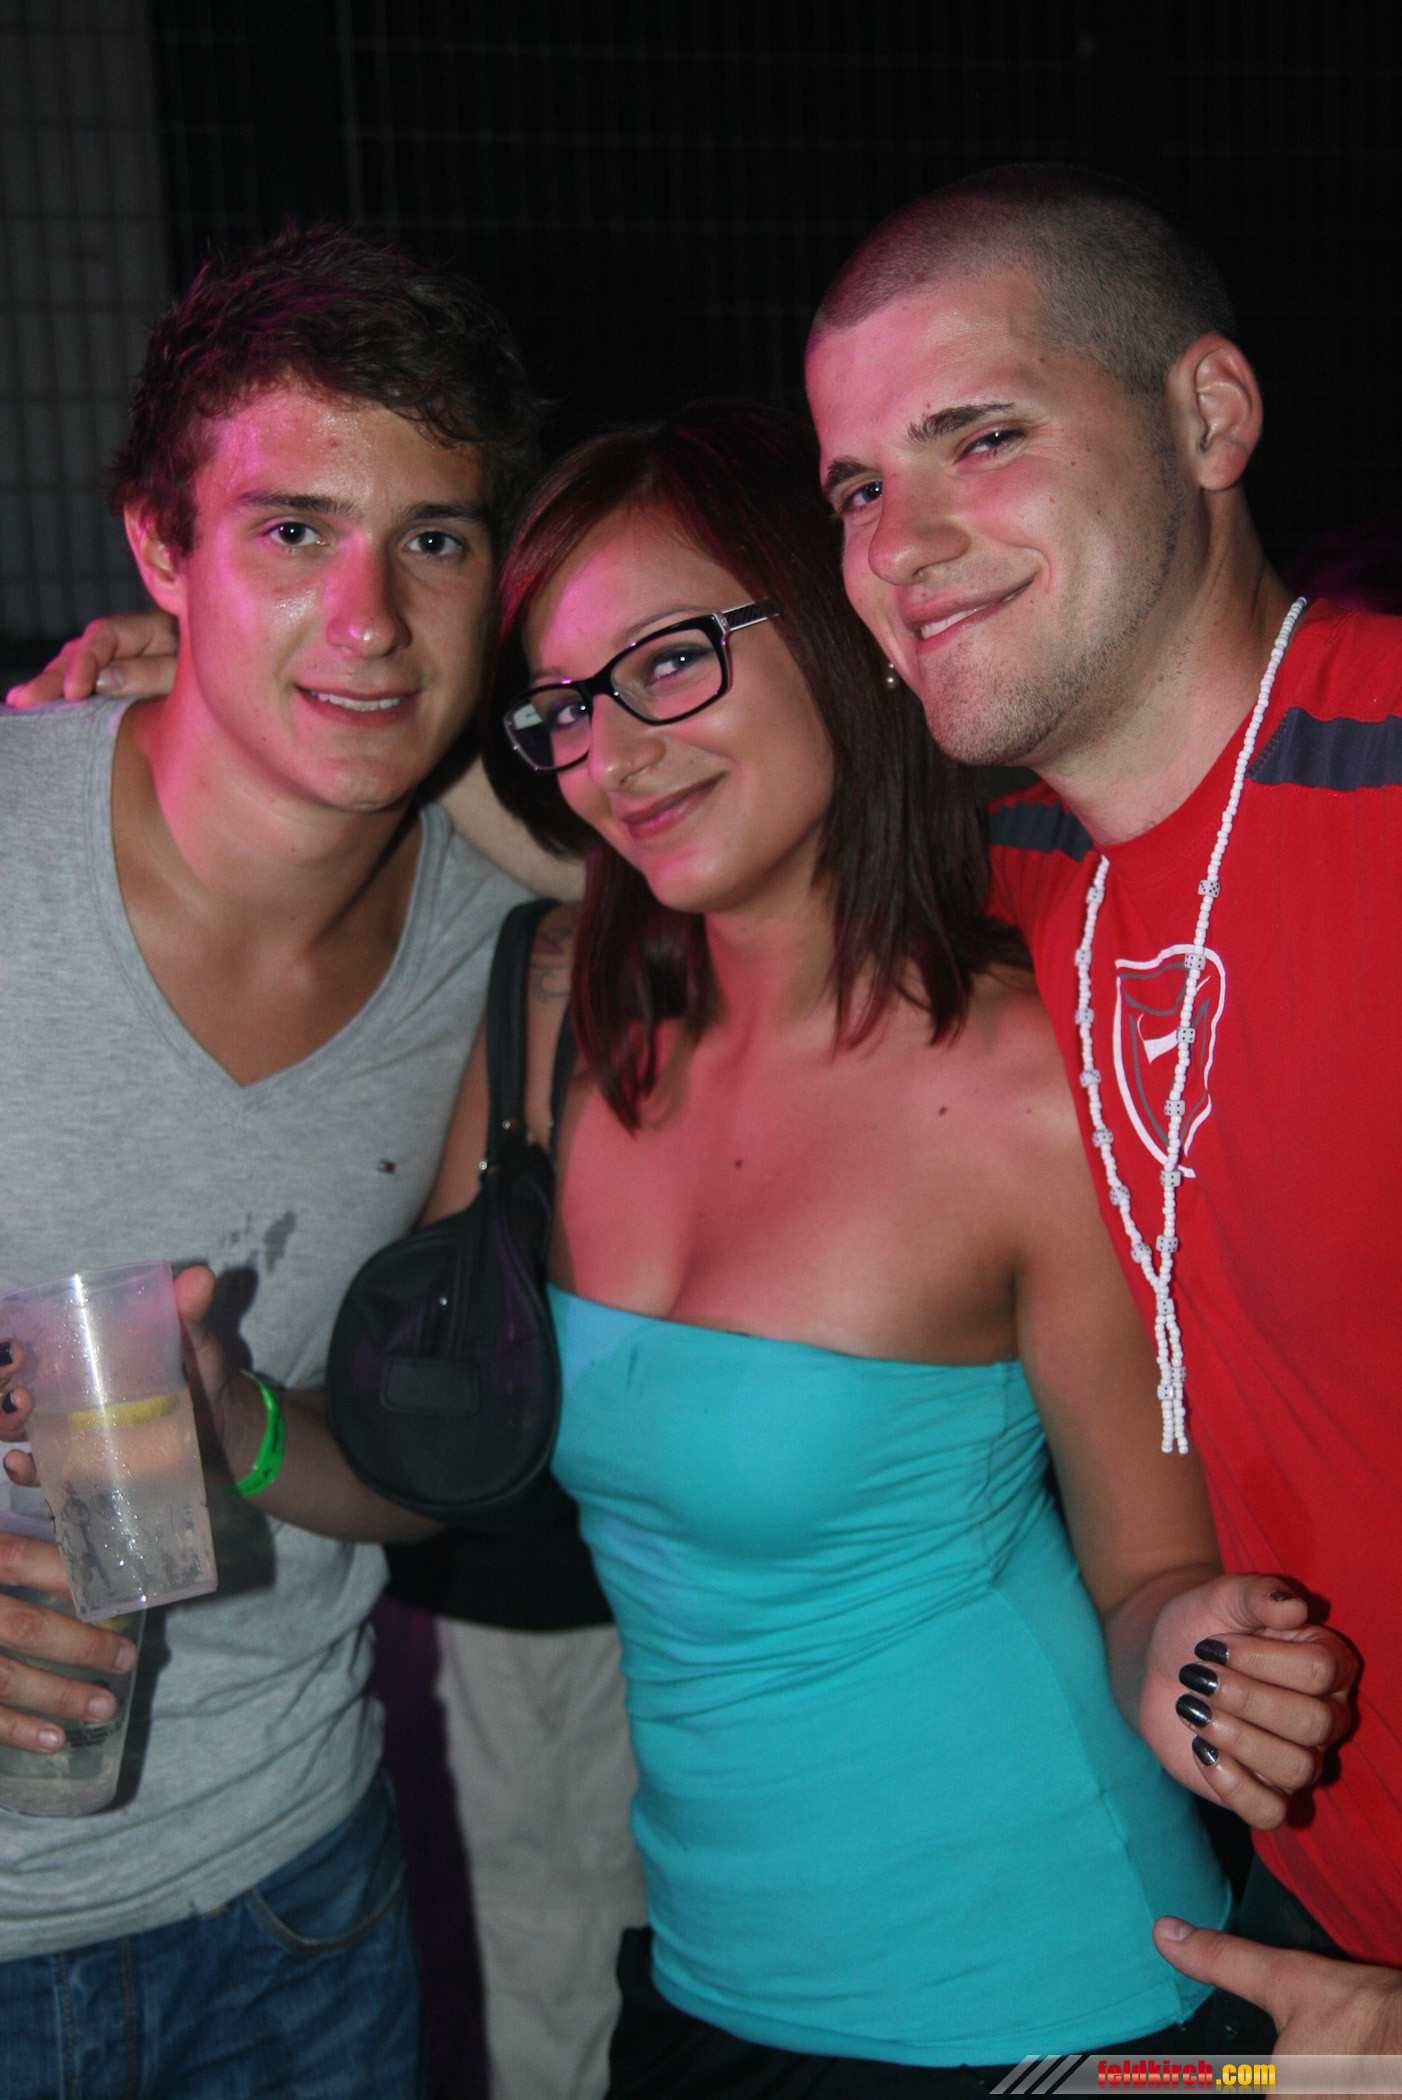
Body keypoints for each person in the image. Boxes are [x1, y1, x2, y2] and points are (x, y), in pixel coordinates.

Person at [373, 397, 1348, 2094]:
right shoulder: (561, 1029)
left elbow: (1141, 1572)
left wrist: (1198, 1657)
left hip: (1056, 1999)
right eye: (567, 703)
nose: (614, 752)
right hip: (701, 1985)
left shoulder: (1026, 1081)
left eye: (669, 660)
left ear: (831, 628)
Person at [0, 222, 614, 2099]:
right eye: (290, 532)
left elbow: (412, 1471)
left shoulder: (497, 970)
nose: (367, 620)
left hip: (290, 1913)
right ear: (157, 545)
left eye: (432, 541)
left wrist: (247, 1428)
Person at [804, 162, 1401, 2055]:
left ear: (1207, 415)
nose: (902, 546)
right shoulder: (1009, 879)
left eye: (979, 437)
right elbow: (657, 844)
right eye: (854, 488)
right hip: (1303, 1931)